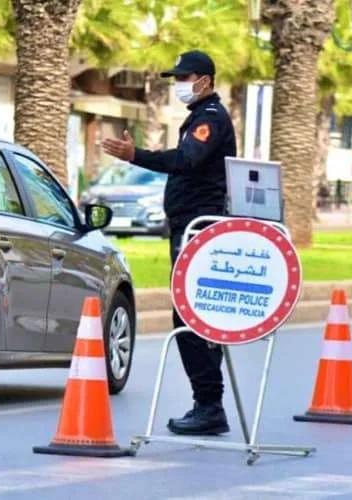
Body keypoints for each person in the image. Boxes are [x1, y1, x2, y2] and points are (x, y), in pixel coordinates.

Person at [101, 50, 237, 436]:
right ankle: (208, 404)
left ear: (205, 81)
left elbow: (186, 160)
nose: (179, 84)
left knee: (192, 316)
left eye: (185, 77)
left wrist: (136, 155)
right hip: (188, 229)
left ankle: (209, 404)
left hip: (198, 230)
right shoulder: (199, 117)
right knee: (192, 316)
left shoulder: (210, 119)